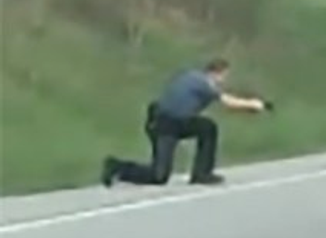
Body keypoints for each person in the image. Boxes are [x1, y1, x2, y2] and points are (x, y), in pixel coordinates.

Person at [101, 58, 271, 187]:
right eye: (223, 76)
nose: (223, 81)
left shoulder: (191, 77)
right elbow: (227, 102)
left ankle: (201, 173)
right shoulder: (201, 82)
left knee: (207, 127)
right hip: (164, 124)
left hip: (171, 121)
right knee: (159, 176)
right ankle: (117, 167)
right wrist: (255, 104)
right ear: (216, 73)